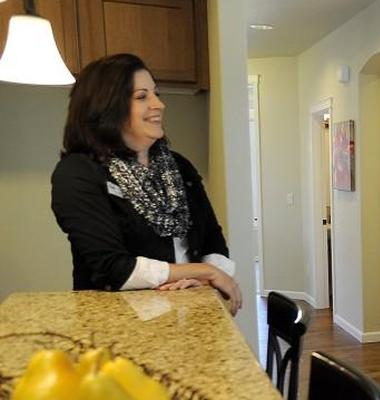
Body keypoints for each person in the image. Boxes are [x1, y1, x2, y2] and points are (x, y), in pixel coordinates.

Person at [51, 53, 242, 315]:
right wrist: (204, 271)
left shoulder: (180, 166)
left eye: (156, 94)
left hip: (192, 310)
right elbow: (112, 268)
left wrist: (204, 280)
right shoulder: (78, 173)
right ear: (106, 107)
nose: (159, 104)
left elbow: (213, 239)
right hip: (118, 322)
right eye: (142, 96)